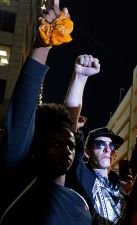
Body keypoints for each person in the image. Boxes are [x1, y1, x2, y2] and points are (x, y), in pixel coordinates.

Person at [0, 4, 91, 225]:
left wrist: (80, 79)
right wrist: (43, 44)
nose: (67, 150)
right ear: (37, 145)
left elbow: (68, 128)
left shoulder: (81, 203)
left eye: (69, 145)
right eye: (56, 144)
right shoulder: (19, 180)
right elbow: (23, 107)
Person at [63, 54, 127, 225]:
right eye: (100, 144)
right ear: (87, 151)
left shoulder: (120, 187)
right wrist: (80, 78)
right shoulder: (79, 174)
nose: (108, 149)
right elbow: (68, 128)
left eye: (111, 145)